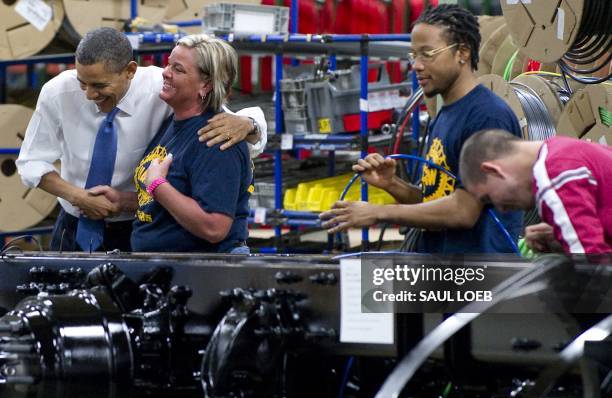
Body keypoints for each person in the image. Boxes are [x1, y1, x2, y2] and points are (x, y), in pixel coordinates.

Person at [16, 27, 266, 252]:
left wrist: (248, 124)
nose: (90, 94)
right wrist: (77, 196)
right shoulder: (58, 92)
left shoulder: (163, 88)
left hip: (134, 227)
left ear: (130, 71)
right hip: (75, 224)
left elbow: (225, 123)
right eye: (83, 83)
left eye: (100, 85)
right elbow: (31, 162)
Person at [320, 4, 523, 253]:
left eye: (427, 54)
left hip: (477, 278)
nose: (416, 65)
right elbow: (436, 201)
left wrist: (378, 212)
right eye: (413, 55)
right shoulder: (446, 113)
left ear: (462, 53)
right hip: (442, 273)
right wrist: (392, 184)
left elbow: (463, 211)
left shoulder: (486, 117)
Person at [459, 129, 612, 255]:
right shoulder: (563, 149)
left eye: (488, 199)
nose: (501, 209)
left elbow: (595, 270)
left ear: (493, 171)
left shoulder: (552, 175)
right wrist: (562, 237)